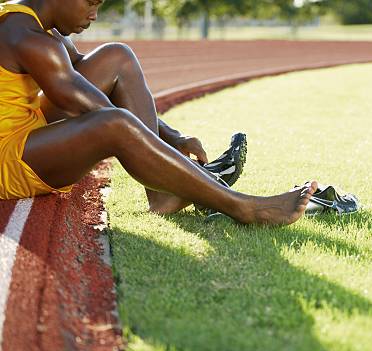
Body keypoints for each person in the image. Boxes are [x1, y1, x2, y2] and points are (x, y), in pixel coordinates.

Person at [0, 0, 317, 225]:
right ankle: (245, 208)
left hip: (29, 127)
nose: (94, 15)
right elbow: (101, 113)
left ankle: (164, 194)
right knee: (113, 124)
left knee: (117, 57)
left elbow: (94, 89)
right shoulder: (29, 39)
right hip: (8, 159)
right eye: (91, 3)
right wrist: (169, 152)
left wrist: (173, 137)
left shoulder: (35, 24)